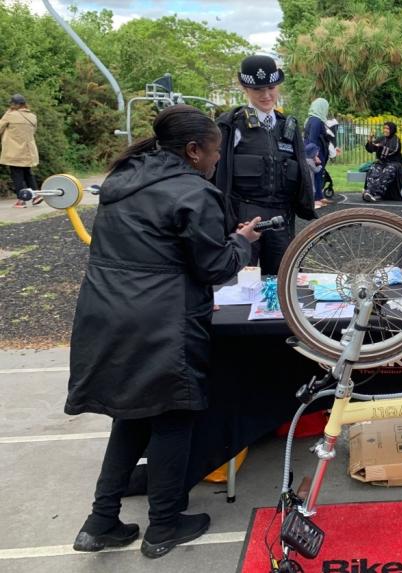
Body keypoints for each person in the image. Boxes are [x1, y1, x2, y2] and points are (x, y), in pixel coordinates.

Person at [66, 105, 261, 559]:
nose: (217, 162)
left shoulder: (122, 180)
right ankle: (165, 526)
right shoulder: (193, 192)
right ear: (194, 151)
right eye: (214, 153)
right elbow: (213, 266)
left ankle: (100, 521)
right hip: (161, 322)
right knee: (173, 418)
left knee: (131, 414)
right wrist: (241, 243)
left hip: (105, 314)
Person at [214, 55, 316, 276]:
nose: (266, 95)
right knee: (240, 281)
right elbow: (217, 174)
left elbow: (301, 174)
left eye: (271, 87)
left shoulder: (287, 126)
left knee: (281, 280)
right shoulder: (232, 125)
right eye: (258, 89)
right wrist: (227, 218)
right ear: (245, 88)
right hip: (244, 215)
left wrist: (304, 206)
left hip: (281, 216)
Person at [0, 94, 41, 207]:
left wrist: (8, 112)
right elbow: (33, 132)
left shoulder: (10, 115)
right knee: (28, 173)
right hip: (29, 151)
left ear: (15, 104)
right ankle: (36, 196)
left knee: (17, 175)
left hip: (14, 151)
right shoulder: (32, 116)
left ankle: (21, 200)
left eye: (12, 103)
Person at [362, 121, 402, 202]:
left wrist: (380, 146)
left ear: (392, 130)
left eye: (387, 128)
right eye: (384, 128)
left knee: (388, 170)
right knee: (373, 169)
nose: (385, 130)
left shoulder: (396, 140)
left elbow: (393, 150)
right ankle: (368, 192)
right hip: (382, 162)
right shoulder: (381, 138)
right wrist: (370, 140)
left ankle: (377, 194)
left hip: (395, 163)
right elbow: (371, 149)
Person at [304, 97, 331, 208]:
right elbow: (312, 140)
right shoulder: (315, 120)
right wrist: (315, 156)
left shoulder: (314, 119)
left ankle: (319, 196)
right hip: (315, 153)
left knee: (319, 174)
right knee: (315, 174)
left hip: (317, 152)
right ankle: (316, 199)